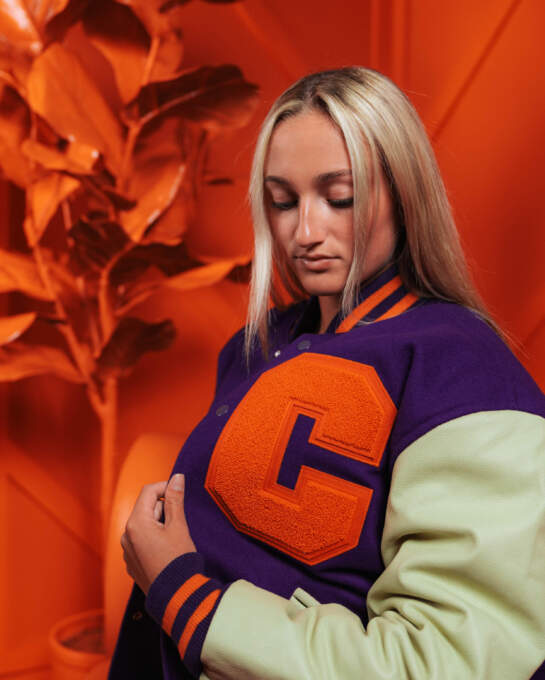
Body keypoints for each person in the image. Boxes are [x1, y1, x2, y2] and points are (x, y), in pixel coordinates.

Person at [109, 67, 545, 679]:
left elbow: (449, 662)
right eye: (283, 201)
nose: (306, 233)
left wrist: (184, 596)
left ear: (405, 194)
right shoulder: (258, 344)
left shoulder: (466, 370)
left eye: (340, 197)